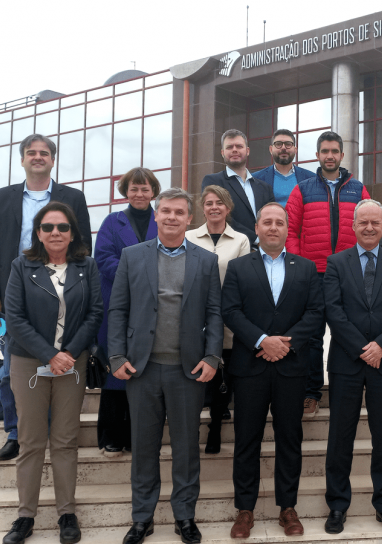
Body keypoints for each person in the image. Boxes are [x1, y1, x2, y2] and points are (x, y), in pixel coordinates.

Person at [107, 188, 223, 544]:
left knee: (187, 449)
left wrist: (212, 356)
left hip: (187, 371)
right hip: (142, 370)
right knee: (144, 448)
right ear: (156, 216)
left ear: (190, 219)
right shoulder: (131, 256)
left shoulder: (205, 260)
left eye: (179, 213)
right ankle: (142, 518)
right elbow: (117, 310)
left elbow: (215, 313)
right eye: (166, 211)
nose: (172, 217)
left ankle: (184, 516)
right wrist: (116, 356)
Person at [0, 133, 92, 463]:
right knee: (11, 368)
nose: (38, 157)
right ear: (22, 159)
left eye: (44, 153)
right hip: (15, 296)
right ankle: (16, 433)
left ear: (53, 160)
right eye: (32, 153)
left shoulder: (73, 197)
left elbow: (83, 246)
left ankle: (58, 433)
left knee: (60, 365)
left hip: (63, 294)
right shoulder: (3, 198)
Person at [1, 202, 103, 544]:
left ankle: (66, 513)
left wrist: (68, 353)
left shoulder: (86, 266)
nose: (55, 233)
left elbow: (95, 313)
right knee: (30, 441)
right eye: (47, 228)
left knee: (64, 440)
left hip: (73, 362)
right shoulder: (22, 265)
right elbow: (14, 317)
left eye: (62, 227)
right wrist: (49, 354)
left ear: (72, 232)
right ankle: (25, 516)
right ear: (38, 233)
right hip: (29, 362)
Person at [222, 203, 324, 539]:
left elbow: (315, 314)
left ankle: (287, 508)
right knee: (247, 440)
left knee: (289, 439)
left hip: (292, 367)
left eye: (280, 222)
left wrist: (285, 344)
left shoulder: (306, 268)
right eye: (267, 222)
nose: (273, 227)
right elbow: (231, 311)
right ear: (257, 227)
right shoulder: (239, 268)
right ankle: (245, 510)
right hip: (250, 366)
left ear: (286, 229)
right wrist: (262, 341)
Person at [322, 199, 382, 535]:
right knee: (340, 437)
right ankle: (337, 505)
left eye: (375, 222)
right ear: (353, 226)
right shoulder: (336, 262)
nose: (370, 228)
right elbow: (334, 310)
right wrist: (363, 348)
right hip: (347, 362)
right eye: (363, 223)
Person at [286, 130, 371, 416]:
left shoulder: (358, 189)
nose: (330, 156)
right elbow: (290, 229)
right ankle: (311, 392)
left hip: (349, 273)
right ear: (318, 155)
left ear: (342, 155)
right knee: (311, 336)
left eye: (334, 151)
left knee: (349, 332)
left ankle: (347, 389)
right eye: (325, 151)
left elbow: (370, 226)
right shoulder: (303, 189)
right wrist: (300, 263)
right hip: (315, 273)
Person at [94, 167, 160, 457]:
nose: (139, 194)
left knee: (143, 370)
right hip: (118, 302)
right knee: (115, 369)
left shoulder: (162, 219)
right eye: (134, 188)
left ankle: (138, 436)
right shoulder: (112, 221)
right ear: (125, 191)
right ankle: (111, 435)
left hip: (153, 303)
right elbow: (103, 258)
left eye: (145, 189)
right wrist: (135, 273)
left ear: (153, 192)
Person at [185, 184, 251, 454]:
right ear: (203, 208)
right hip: (193, 316)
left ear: (228, 207)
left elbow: (244, 279)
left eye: (219, 203)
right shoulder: (189, 237)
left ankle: (215, 428)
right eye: (209, 203)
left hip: (227, 316)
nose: (214, 207)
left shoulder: (240, 240)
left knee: (223, 375)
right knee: (197, 374)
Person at [201, 129, 274, 247]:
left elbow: (272, 217)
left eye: (239, 146)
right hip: (230, 249)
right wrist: (256, 240)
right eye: (229, 147)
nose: (234, 150)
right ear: (222, 152)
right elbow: (221, 217)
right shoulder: (213, 181)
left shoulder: (265, 188)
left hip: (265, 252)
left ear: (247, 151)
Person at [250, 129, 315, 206]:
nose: (283, 148)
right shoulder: (255, 179)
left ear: (295, 149)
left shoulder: (311, 179)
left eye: (288, 144)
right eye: (278, 144)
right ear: (271, 149)